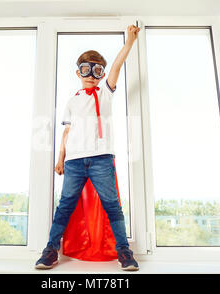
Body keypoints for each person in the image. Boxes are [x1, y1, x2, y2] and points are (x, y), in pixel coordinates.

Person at [35, 25, 141, 271]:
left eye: (96, 70)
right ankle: (50, 251)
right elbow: (67, 131)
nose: (91, 74)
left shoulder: (105, 93)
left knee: (112, 205)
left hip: (101, 159)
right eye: (86, 69)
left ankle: (124, 252)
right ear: (78, 71)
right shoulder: (72, 100)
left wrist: (129, 42)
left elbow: (117, 66)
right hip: (74, 161)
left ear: (102, 74)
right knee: (65, 206)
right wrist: (61, 158)